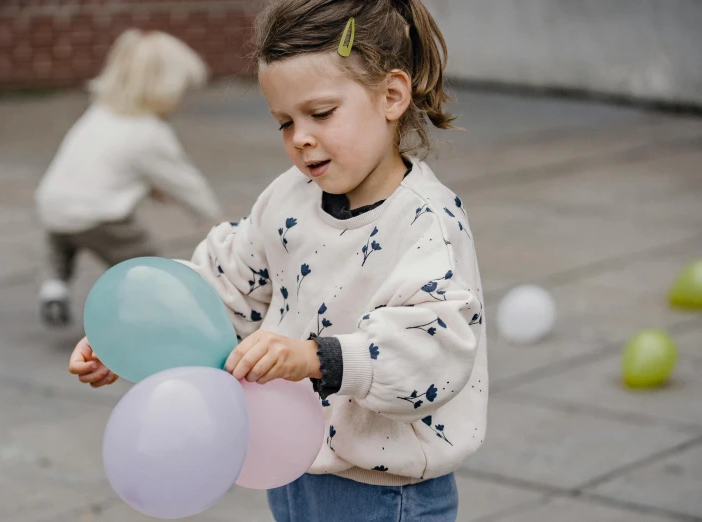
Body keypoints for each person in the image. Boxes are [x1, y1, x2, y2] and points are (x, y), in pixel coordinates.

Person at [70, 1, 487, 520]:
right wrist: (134, 336)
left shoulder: (427, 222)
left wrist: (317, 357)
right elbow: (225, 282)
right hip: (290, 467)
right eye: (284, 122)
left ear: (392, 96)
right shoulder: (288, 198)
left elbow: (434, 350)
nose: (300, 138)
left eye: (321, 113)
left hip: (385, 492)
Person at [36, 29, 222, 327]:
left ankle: (53, 288)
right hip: (98, 215)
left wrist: (146, 186)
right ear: (164, 88)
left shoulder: (101, 112)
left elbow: (102, 164)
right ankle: (158, 315)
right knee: (146, 261)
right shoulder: (150, 132)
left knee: (62, 245)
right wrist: (214, 218)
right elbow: (185, 181)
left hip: (54, 204)